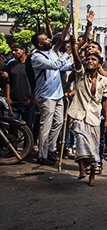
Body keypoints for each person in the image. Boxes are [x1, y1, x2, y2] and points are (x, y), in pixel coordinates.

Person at [66, 36, 107, 186]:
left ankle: (92, 175)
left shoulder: (104, 81)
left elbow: (105, 101)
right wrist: (74, 47)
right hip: (78, 114)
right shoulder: (80, 74)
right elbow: (77, 61)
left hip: (95, 117)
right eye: (88, 59)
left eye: (93, 59)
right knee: (80, 139)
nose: (90, 61)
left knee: (94, 147)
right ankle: (81, 168)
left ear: (99, 64)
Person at [30, 22, 72, 166]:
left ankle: (51, 149)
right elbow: (55, 66)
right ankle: (42, 155)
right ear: (40, 44)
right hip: (46, 96)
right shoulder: (36, 57)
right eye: (46, 40)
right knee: (45, 126)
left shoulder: (52, 53)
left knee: (59, 122)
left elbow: (60, 67)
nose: (50, 40)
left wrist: (73, 65)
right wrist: (68, 53)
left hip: (58, 94)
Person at [5, 44, 35, 133]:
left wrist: (32, 98)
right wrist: (8, 97)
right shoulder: (10, 65)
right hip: (13, 102)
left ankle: (29, 146)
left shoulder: (31, 64)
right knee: (12, 128)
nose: (14, 53)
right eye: (12, 50)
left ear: (23, 50)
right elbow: (8, 82)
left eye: (16, 50)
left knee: (28, 128)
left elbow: (36, 83)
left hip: (28, 102)